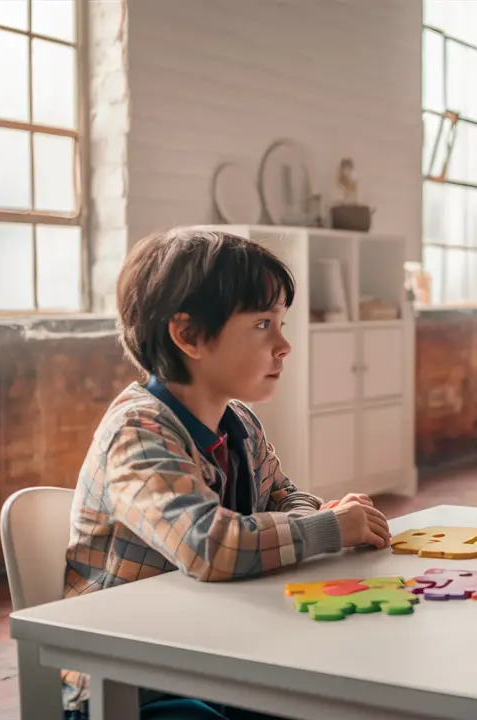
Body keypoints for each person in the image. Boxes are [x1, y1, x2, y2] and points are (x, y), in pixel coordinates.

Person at [61, 228, 392, 719]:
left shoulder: (238, 421)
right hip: (129, 686)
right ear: (189, 335)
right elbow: (210, 546)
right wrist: (328, 527)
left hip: (215, 656)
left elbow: (285, 495)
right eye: (262, 324)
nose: (284, 345)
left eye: (280, 322)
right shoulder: (138, 432)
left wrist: (316, 518)